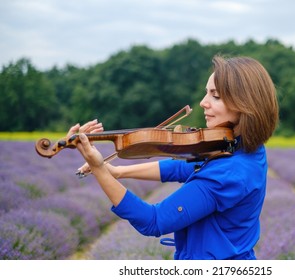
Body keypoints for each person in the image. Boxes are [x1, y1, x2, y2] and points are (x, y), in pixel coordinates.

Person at [68, 55, 279, 260]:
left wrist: (99, 168)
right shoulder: (245, 148)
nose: (203, 102)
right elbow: (182, 168)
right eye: (207, 93)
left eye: (215, 95)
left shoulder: (229, 174)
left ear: (245, 103)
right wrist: (117, 171)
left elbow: (154, 221)